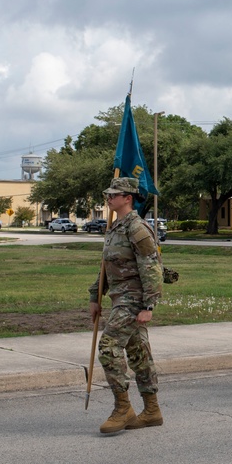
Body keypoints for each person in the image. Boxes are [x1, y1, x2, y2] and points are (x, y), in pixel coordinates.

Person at [89, 177, 164, 434]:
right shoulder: (115, 227)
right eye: (108, 194)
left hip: (133, 299)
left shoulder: (137, 228)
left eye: (113, 195)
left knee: (108, 347)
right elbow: (109, 266)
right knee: (139, 353)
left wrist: (149, 306)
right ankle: (152, 411)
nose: (108, 198)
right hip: (119, 298)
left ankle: (123, 408)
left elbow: (151, 267)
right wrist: (95, 297)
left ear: (128, 198)